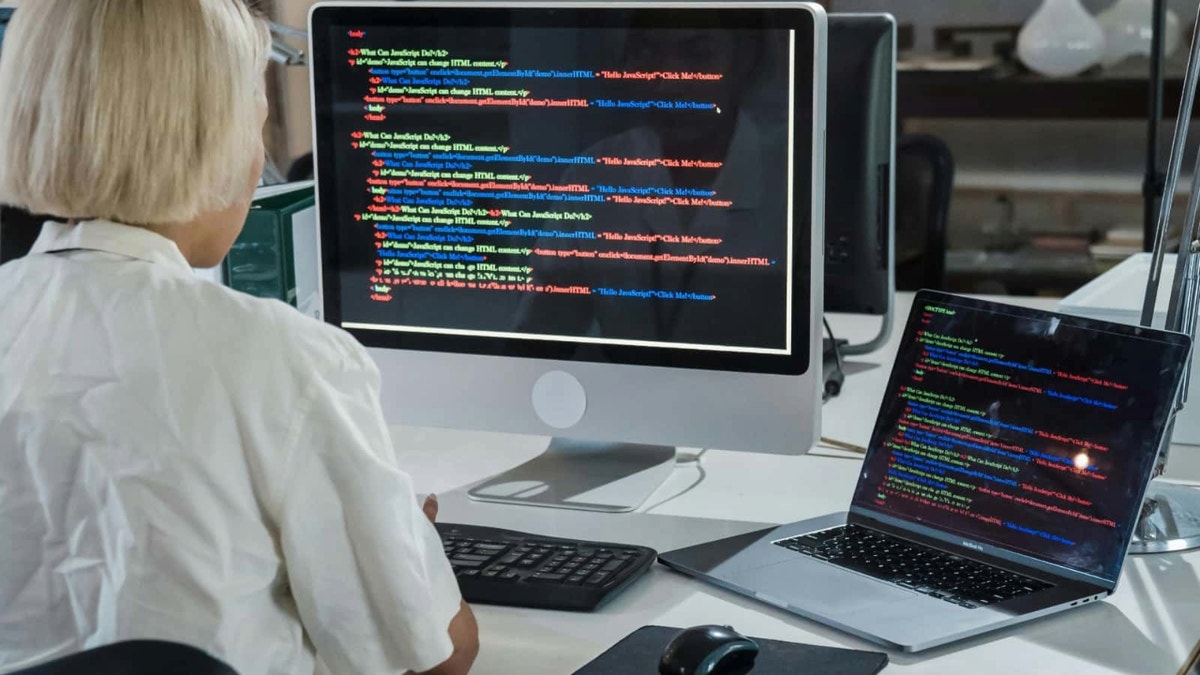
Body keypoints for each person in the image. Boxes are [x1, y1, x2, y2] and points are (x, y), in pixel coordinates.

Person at [0, 2, 477, 674]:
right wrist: (412, 541)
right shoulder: (283, 359)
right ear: (213, 141)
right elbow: (433, 658)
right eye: (257, 127)